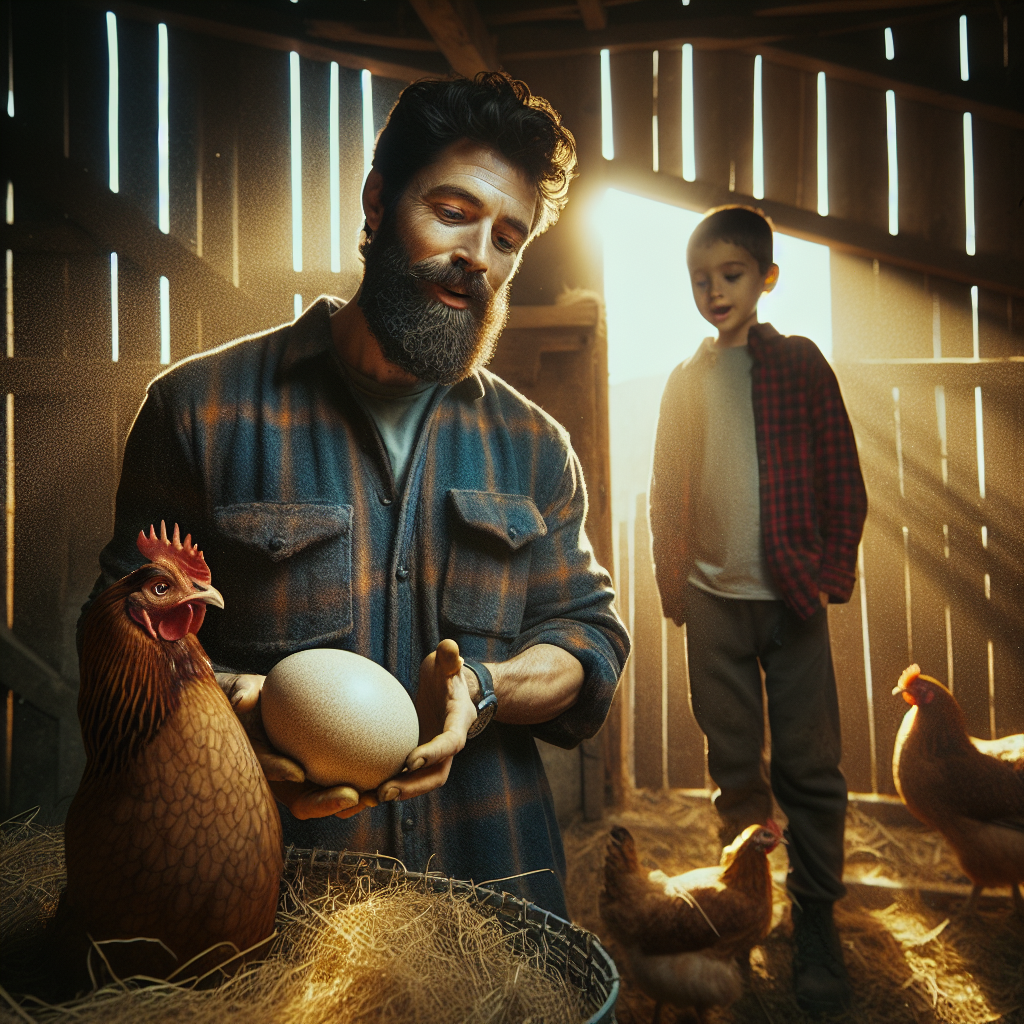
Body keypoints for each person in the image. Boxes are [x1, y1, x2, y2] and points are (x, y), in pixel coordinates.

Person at [84, 73, 629, 920]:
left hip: (495, 905)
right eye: (453, 212)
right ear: (378, 202)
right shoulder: (198, 411)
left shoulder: (534, 448)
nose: (478, 255)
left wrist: (483, 689)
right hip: (276, 918)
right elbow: (117, 651)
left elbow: (587, 638)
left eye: (508, 237)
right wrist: (233, 713)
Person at [649, 206, 867, 1014]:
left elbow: (843, 475)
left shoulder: (801, 367)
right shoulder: (686, 380)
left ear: (767, 279)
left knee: (809, 767)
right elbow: (665, 493)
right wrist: (676, 588)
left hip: (793, 600)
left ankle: (815, 920)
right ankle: (743, 913)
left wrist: (830, 572)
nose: (713, 291)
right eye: (700, 279)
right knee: (735, 768)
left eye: (731, 275)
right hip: (713, 605)